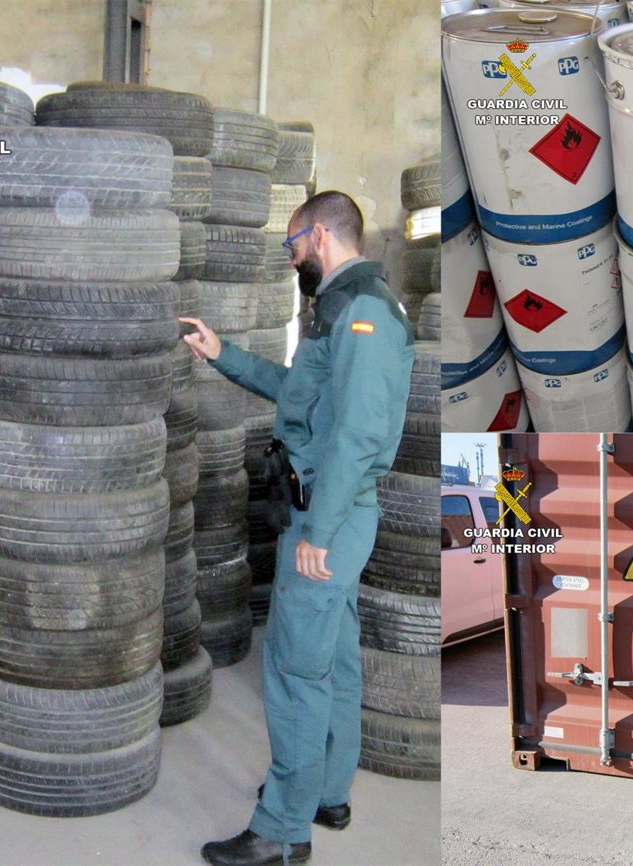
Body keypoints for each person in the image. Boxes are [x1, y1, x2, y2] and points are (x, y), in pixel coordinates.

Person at [181, 191, 415, 866]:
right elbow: (302, 394)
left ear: (317, 236)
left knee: (295, 671)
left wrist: (318, 535)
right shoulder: (343, 306)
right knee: (333, 659)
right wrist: (224, 354)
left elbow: (359, 434)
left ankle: (282, 831)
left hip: (327, 517)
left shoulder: (365, 312)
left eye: (291, 246)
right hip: (330, 512)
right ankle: (327, 793)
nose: (290, 260)